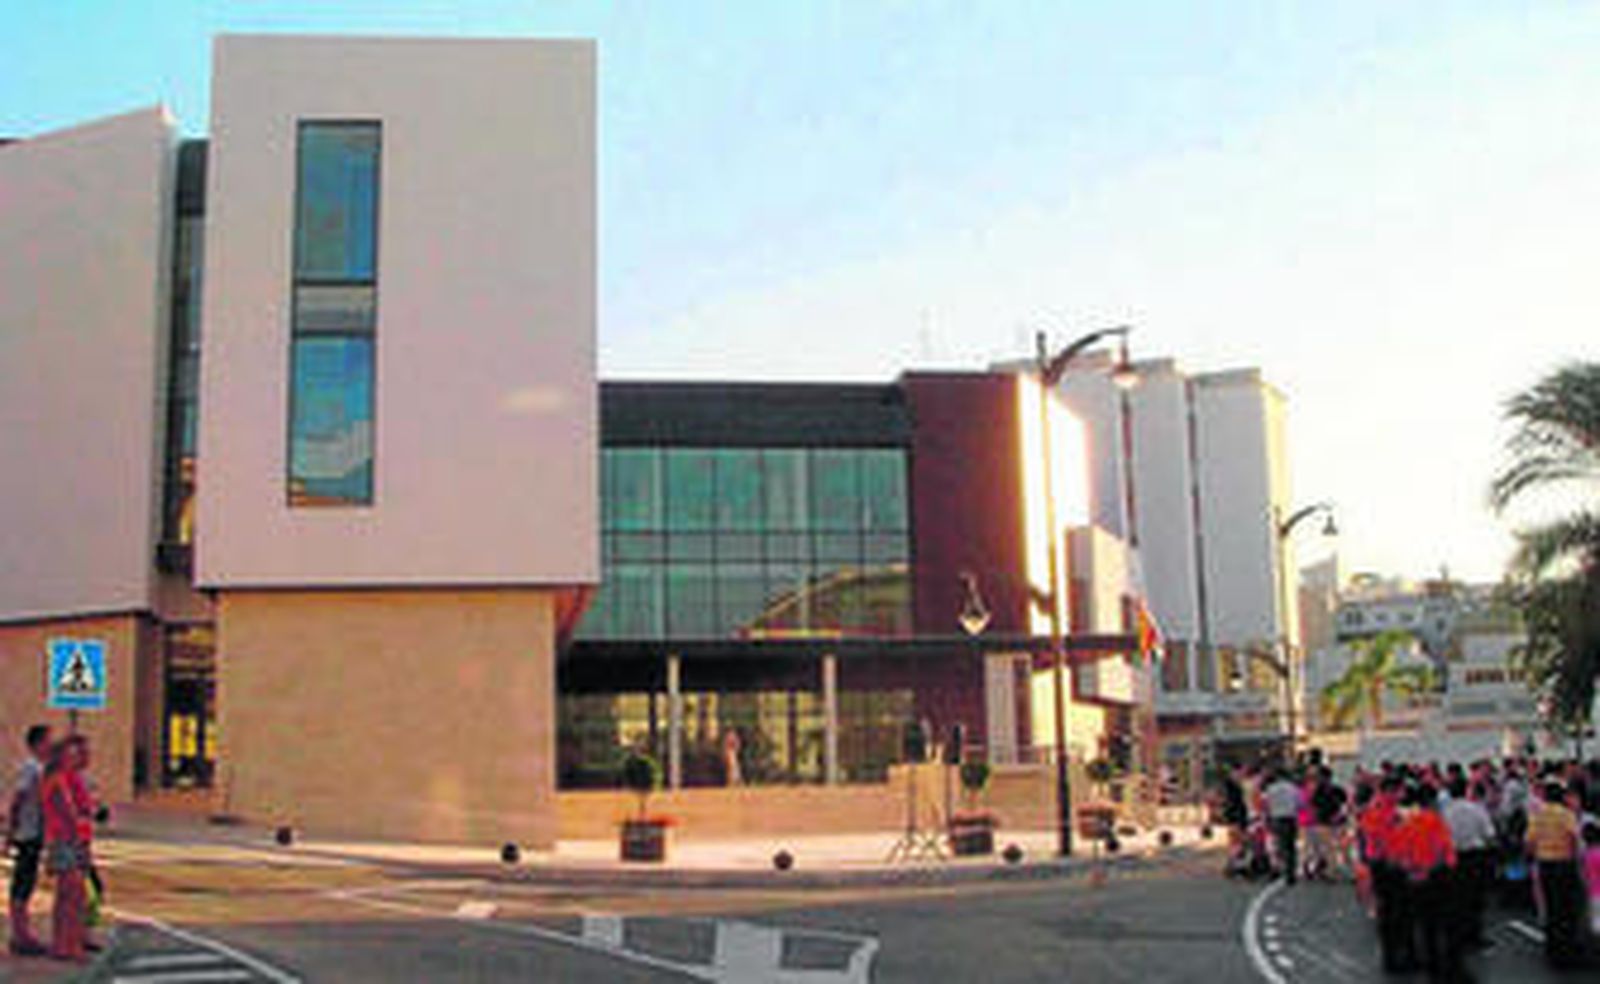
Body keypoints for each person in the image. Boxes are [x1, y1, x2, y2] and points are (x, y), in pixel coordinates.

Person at [1394, 784, 1459, 981]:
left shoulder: (1407, 824)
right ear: (1432, 802)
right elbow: (1447, 853)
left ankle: (1430, 965)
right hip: (1437, 877)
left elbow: (1400, 855)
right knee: (1444, 924)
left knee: (1424, 925)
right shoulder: (1437, 822)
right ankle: (1446, 968)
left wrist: (1413, 869)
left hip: (1415, 879)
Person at [40, 735, 95, 963]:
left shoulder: (57, 778)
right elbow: (69, 812)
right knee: (73, 896)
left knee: (67, 895)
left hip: (65, 839)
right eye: (71, 755)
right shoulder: (58, 780)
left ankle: (62, 944)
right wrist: (81, 825)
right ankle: (69, 945)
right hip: (66, 840)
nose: (75, 759)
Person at [1525, 778, 1583, 968]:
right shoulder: (1567, 815)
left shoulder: (1537, 815)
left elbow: (1529, 841)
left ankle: (1552, 950)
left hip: (1545, 865)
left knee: (1551, 907)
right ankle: (1568, 950)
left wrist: (1533, 856)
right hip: (1565, 864)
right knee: (1567, 910)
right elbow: (1576, 839)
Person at [4, 725, 51, 956]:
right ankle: (19, 935)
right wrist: (10, 832)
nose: (51, 745)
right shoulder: (30, 768)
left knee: (27, 882)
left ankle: (22, 933)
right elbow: (18, 799)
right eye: (48, 741)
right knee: (22, 884)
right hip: (27, 833)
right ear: (38, 743)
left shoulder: (40, 768)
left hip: (35, 832)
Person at [1363, 776, 1417, 973]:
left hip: (1388, 863)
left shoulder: (1385, 810)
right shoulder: (1380, 811)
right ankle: (1392, 959)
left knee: (1396, 912)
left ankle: (1398, 956)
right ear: (1389, 791)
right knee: (1392, 913)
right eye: (1399, 791)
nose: (1402, 795)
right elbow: (1381, 841)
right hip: (1387, 866)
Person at [1442, 777, 1496, 951]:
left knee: (1457, 899)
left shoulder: (1444, 812)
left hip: (1454, 857)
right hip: (1475, 856)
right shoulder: (1476, 810)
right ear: (1466, 790)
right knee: (1476, 898)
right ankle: (1475, 935)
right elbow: (1489, 834)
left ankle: (1460, 936)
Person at [1263, 768, 1303, 885]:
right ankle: (1290, 873)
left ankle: (1277, 868)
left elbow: (1266, 805)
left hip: (1276, 818)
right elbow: (1300, 804)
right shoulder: (1294, 789)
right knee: (1290, 846)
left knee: (1277, 845)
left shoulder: (1270, 789)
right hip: (1290, 819)